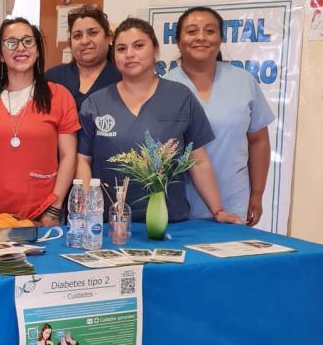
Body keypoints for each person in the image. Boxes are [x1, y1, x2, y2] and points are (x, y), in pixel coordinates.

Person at [76, 18, 242, 224]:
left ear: (155, 50)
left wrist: (218, 210)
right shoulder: (96, 103)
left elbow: (198, 160)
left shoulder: (180, 97)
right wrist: (86, 212)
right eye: (121, 48)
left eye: (138, 46)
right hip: (110, 223)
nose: (129, 54)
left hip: (168, 222)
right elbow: (83, 160)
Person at [164, 7, 274, 226]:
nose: (201, 38)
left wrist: (257, 194)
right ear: (178, 41)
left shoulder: (244, 82)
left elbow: (259, 140)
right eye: (192, 31)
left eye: (210, 31)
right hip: (178, 204)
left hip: (233, 200)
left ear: (221, 38)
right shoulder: (164, 87)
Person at [0, 18, 79, 225]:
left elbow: (68, 156)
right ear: (1, 55)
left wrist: (54, 209)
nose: (20, 48)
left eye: (28, 41)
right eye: (11, 42)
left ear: (38, 51)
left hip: (41, 212)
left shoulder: (59, 96)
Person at [46, 5, 121, 111]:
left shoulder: (121, 78)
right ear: (70, 42)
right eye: (77, 36)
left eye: (93, 33)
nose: (84, 41)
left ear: (109, 38)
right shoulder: (53, 77)